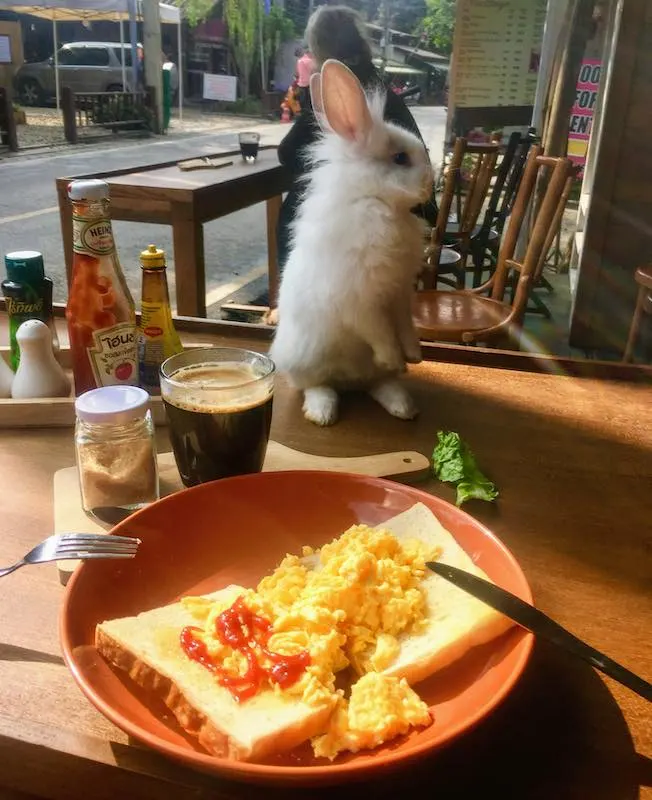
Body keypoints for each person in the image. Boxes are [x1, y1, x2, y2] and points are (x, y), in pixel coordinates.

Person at [276, 6, 438, 277]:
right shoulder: (376, 84)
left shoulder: (341, 86)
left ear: (319, 47)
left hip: (384, 221)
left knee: (292, 215)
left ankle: (294, 298)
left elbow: (288, 152)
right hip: (418, 209)